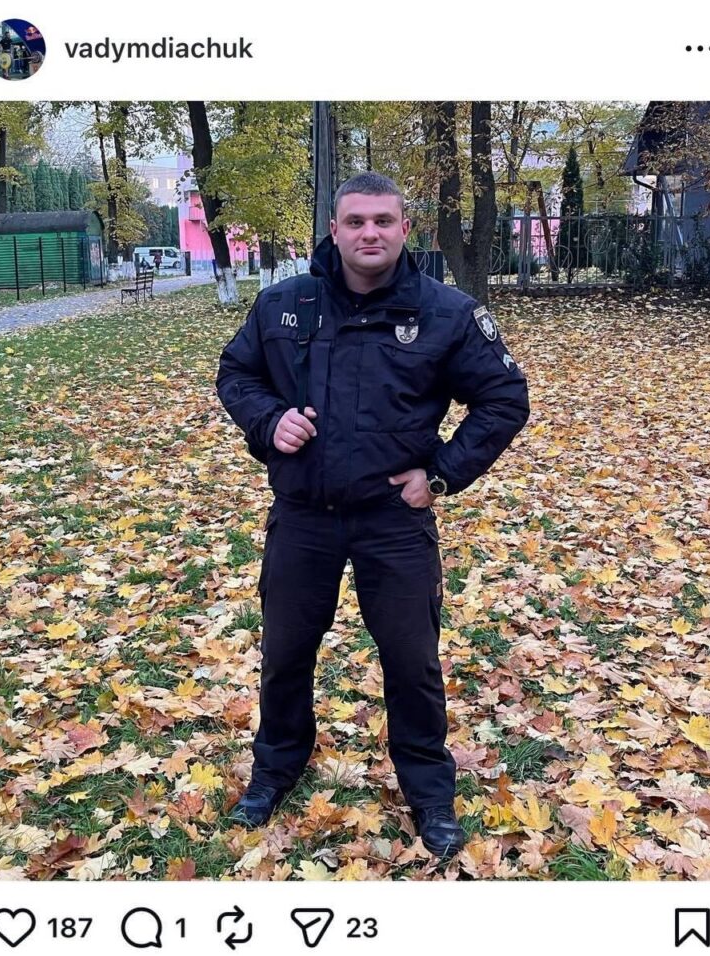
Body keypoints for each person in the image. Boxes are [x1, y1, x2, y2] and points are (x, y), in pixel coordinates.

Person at [216, 172, 529, 858]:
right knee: (286, 654)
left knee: (412, 662)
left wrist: (441, 475)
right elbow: (236, 374)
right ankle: (275, 771)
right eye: (355, 221)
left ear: (404, 228)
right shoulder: (284, 305)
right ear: (334, 230)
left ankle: (430, 794)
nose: (370, 233)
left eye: (383, 221)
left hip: (393, 521)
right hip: (304, 516)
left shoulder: (446, 313)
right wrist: (268, 421)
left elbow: (505, 397)